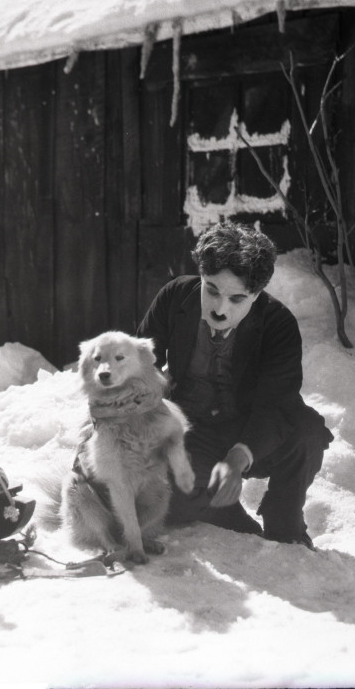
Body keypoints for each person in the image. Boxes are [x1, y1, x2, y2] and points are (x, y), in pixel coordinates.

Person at [136, 221, 333, 549]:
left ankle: (283, 519)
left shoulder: (278, 325)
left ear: (256, 295)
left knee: (306, 431)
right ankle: (223, 511)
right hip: (194, 430)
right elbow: (138, 363)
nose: (220, 309)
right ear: (200, 276)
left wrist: (238, 458)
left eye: (236, 298)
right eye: (211, 290)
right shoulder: (174, 298)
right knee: (169, 500)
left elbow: (275, 404)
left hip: (253, 429)